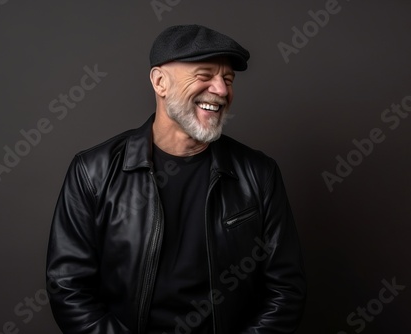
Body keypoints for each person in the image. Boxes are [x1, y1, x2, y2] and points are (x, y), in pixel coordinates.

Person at [46, 24, 306, 334]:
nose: (221, 90)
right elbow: (68, 286)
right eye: (204, 75)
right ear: (160, 82)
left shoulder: (259, 174)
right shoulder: (93, 171)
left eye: (227, 79)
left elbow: (285, 290)